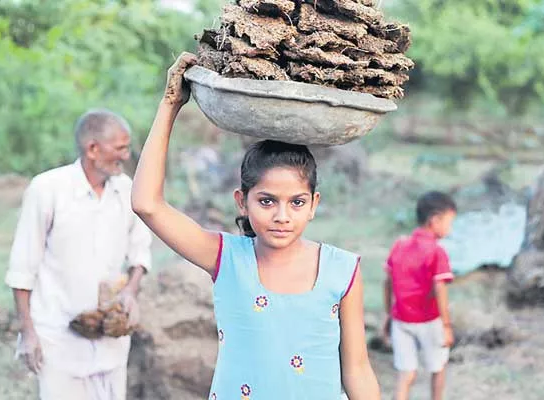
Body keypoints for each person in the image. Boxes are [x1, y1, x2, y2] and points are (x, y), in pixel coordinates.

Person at [131, 52, 380, 400]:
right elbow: (147, 204)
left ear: (314, 205)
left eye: (296, 202)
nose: (282, 216)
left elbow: (357, 369)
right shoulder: (227, 258)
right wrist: (170, 104)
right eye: (266, 201)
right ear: (241, 202)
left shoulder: (343, 269)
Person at [5, 109, 152, 400]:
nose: (126, 155)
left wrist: (131, 292)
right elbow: (23, 267)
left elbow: (140, 250)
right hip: (57, 338)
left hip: (110, 338)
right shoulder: (47, 189)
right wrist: (28, 332)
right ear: (93, 149)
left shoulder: (127, 190)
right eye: (120, 148)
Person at [383, 191, 457, 400]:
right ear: (435, 220)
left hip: (401, 320)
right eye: (449, 222)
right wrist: (446, 325)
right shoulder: (436, 251)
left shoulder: (399, 245)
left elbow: (387, 282)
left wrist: (388, 314)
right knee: (438, 367)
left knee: (406, 373)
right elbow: (440, 288)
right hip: (429, 320)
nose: (449, 228)